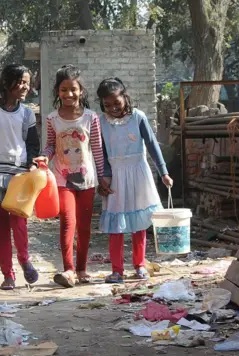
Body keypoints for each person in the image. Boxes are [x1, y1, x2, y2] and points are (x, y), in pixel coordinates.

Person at [34, 65, 106, 288]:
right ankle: (68, 269)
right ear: (58, 91)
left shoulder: (91, 118)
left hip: (87, 180)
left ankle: (82, 269)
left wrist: (103, 178)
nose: (69, 94)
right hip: (62, 180)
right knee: (68, 223)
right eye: (64, 90)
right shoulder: (52, 118)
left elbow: (97, 149)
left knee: (84, 226)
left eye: (73, 89)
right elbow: (49, 146)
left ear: (81, 90)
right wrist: (43, 157)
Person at [96, 78, 174, 284]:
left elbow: (152, 144)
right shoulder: (100, 122)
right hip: (115, 176)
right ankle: (117, 270)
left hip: (139, 173)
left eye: (117, 103)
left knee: (139, 225)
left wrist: (164, 172)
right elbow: (101, 153)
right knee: (116, 225)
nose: (113, 108)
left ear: (125, 97)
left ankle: (139, 265)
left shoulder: (138, 117)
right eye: (107, 105)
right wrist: (103, 177)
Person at [0, 64, 41, 290]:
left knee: (20, 223)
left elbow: (33, 145)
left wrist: (32, 164)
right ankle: (8, 275)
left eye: (27, 83)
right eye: (21, 82)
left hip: (19, 175)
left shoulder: (27, 114)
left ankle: (24, 260)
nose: (25, 87)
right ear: (7, 83)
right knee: (1, 227)